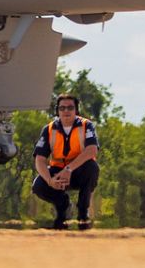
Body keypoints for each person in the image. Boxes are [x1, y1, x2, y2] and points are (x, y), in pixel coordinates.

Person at [32, 94, 99, 230]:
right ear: (57, 111)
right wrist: (50, 180)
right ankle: (64, 208)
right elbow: (39, 159)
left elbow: (92, 150)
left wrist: (68, 169)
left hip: (79, 172)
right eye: (62, 108)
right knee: (38, 185)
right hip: (58, 174)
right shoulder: (49, 129)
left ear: (76, 110)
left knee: (92, 167)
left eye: (70, 108)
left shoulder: (86, 125)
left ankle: (83, 213)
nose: (66, 111)